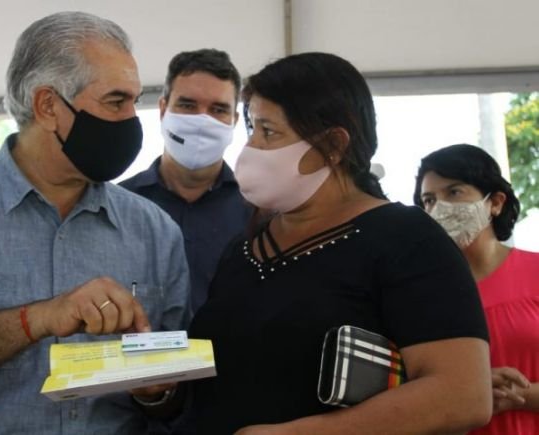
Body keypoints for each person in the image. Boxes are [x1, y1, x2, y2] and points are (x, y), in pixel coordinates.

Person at [0, 11, 190, 434]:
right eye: (116, 101)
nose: (133, 120)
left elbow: (174, 396)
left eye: (136, 101)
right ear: (48, 106)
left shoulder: (155, 231)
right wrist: (36, 319)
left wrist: (156, 392)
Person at [187, 52, 493, 434]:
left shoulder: (408, 240)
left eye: (269, 132)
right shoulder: (244, 249)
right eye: (251, 129)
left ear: (333, 144)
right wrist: (158, 392)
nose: (251, 148)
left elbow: (462, 395)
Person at [414, 143, 539, 434]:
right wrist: (467, 392)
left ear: (495, 202)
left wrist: (518, 395)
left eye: (454, 192)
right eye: (429, 200)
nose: (438, 208)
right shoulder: (421, 296)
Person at [120, 48, 252, 312]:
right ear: (162, 109)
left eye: (218, 109)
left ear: (234, 121)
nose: (202, 121)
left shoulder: (258, 211)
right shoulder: (118, 207)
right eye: (188, 105)